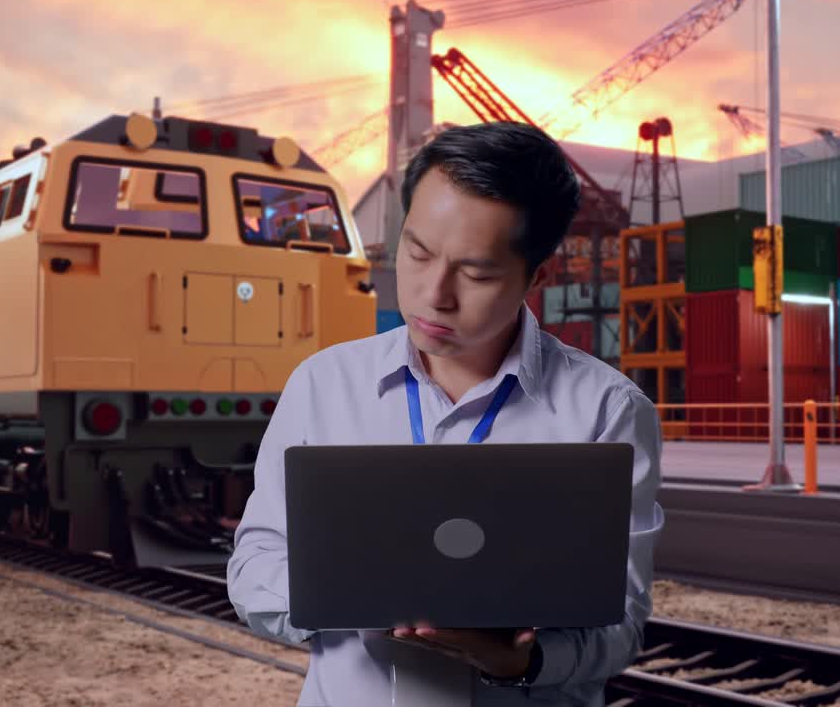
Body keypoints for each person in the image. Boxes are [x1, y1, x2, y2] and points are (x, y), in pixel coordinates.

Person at [226, 121, 665, 707]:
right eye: (417, 251)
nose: (435, 293)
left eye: (477, 273)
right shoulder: (322, 385)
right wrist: (340, 596)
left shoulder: (606, 411)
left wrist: (520, 661)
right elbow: (252, 569)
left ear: (538, 275)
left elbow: (622, 623)